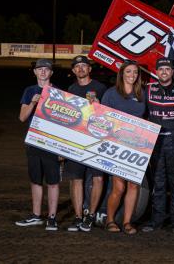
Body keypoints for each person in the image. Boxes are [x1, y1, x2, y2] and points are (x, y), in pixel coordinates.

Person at [142, 57, 174, 234]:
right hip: (154, 141)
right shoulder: (147, 89)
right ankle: (156, 219)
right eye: (161, 69)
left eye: (167, 69)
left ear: (172, 72)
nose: (164, 72)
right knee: (157, 182)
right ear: (156, 72)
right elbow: (140, 114)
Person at [101, 60, 145, 235]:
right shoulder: (111, 94)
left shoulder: (142, 94)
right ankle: (110, 220)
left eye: (135, 72)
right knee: (118, 187)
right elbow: (101, 117)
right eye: (128, 72)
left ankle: (127, 222)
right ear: (122, 74)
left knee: (133, 186)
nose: (132, 75)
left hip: (137, 145)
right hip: (116, 144)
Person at [16, 59, 60, 231]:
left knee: (53, 181)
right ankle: (36, 215)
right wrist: (33, 102)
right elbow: (22, 118)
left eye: (46, 69)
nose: (42, 72)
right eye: (39, 69)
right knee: (35, 180)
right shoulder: (29, 91)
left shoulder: (57, 92)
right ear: (34, 72)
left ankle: (52, 217)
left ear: (51, 73)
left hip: (51, 143)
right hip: (33, 142)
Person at [65, 55, 107, 232]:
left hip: (96, 140)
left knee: (98, 177)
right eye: (77, 67)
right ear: (74, 71)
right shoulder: (71, 89)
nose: (81, 69)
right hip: (76, 140)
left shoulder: (100, 88)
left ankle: (90, 215)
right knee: (76, 179)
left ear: (90, 69)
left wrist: (99, 106)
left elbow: (110, 117)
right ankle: (78, 217)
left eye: (84, 66)